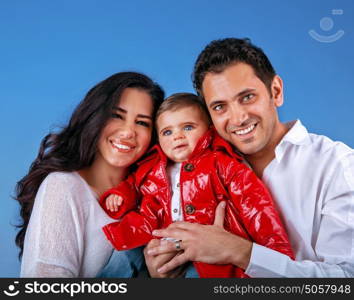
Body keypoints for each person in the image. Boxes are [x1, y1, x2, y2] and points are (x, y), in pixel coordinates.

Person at [146, 38, 354, 277]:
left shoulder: (338, 165)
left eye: (247, 97)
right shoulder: (195, 169)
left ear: (275, 91)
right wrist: (162, 267)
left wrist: (241, 253)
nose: (238, 118)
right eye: (219, 107)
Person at [99, 92, 294, 278]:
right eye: (167, 132)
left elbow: (255, 206)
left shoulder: (221, 164)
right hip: (152, 235)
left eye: (188, 127)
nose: (177, 136)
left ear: (209, 130)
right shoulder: (151, 166)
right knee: (122, 256)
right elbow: (134, 185)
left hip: (203, 250)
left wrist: (277, 253)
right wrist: (121, 195)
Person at [15, 71, 164, 277]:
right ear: (95, 117)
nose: (129, 131)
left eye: (142, 122)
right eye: (116, 116)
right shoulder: (63, 187)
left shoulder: (152, 199)